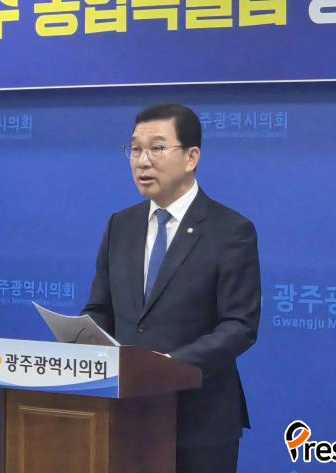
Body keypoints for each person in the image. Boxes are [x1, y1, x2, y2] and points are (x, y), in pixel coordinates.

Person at [82, 103, 261, 473]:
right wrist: (82, 338)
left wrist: (170, 365)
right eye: (135, 149)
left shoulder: (230, 230)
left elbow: (240, 325)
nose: (142, 161)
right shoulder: (120, 225)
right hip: (125, 413)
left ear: (191, 157)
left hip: (200, 421)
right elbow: (100, 308)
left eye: (157, 148)